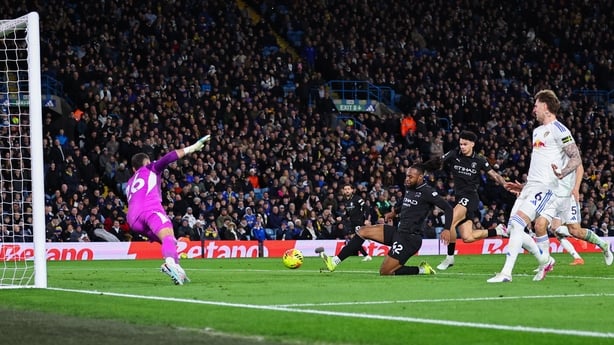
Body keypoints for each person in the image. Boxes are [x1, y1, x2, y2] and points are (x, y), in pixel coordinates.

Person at [488, 89, 580, 283]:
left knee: (520, 222)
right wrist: (523, 186)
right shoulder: (537, 131)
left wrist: (562, 173)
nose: (533, 109)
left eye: (536, 105)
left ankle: (506, 273)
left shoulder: (559, 129)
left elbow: (576, 157)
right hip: (531, 186)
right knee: (513, 228)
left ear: (545, 107)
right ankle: (545, 261)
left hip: (546, 187)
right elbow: (540, 164)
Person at [316, 163, 453, 275]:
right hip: (398, 232)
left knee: (385, 271)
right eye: (406, 176)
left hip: (410, 239)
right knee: (363, 231)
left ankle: (422, 269)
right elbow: (406, 205)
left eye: (411, 177)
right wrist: (393, 214)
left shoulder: (428, 192)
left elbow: (448, 208)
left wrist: (447, 229)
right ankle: (334, 262)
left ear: (420, 177)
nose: (407, 179)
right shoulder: (409, 188)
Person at [125, 134, 210, 285]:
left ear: (133, 168)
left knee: (170, 241)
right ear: (147, 162)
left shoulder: (130, 181)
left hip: (133, 219)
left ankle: (177, 268)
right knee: (168, 234)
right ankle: (170, 264)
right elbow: (168, 158)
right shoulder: (149, 168)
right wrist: (192, 148)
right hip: (149, 209)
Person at [428, 130, 510, 270]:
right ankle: (498, 231)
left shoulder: (479, 160)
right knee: (467, 237)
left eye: (465, 144)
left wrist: (506, 185)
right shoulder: (454, 154)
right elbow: (439, 161)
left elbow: (494, 175)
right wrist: (423, 167)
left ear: (472, 144)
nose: (462, 147)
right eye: (460, 144)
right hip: (460, 198)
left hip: (470, 197)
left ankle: (449, 258)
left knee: (450, 221)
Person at [529, 163, 613, 266]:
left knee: (575, 231)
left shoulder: (567, 150)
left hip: (568, 196)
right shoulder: (546, 156)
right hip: (553, 197)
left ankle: (603, 245)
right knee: (554, 229)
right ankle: (555, 261)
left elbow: (579, 167)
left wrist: (576, 188)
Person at [330, 183, 372, 263]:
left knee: (354, 241)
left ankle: (339, 258)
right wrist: (341, 217)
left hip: (359, 222)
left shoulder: (357, 198)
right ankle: (366, 255)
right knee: (354, 241)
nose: (347, 191)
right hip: (353, 223)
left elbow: (366, 207)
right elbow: (348, 214)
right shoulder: (346, 201)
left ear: (352, 190)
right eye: (345, 189)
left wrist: (366, 219)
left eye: (348, 189)